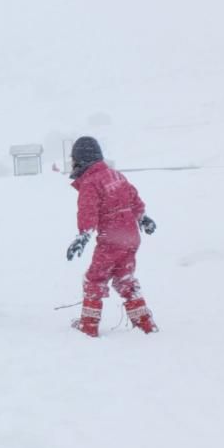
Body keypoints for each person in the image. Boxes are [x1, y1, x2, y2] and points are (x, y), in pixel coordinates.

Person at [65, 136, 158, 337]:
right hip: (131, 238)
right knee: (125, 279)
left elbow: (87, 211)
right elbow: (133, 198)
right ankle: (145, 324)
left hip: (111, 240)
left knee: (94, 280)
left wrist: (83, 236)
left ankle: (88, 325)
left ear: (80, 160)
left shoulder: (90, 182)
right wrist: (143, 217)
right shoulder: (116, 176)